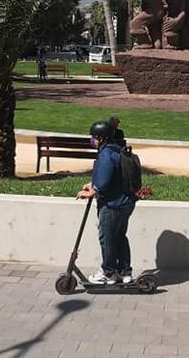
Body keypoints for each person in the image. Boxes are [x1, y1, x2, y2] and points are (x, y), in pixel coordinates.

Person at [77, 121, 137, 285]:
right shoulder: (117, 149)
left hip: (112, 204)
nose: (92, 140)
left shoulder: (105, 154)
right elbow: (112, 176)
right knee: (119, 237)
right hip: (125, 202)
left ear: (100, 138)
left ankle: (108, 272)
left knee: (107, 238)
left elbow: (104, 180)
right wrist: (93, 184)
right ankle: (125, 272)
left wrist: (91, 192)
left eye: (94, 137)